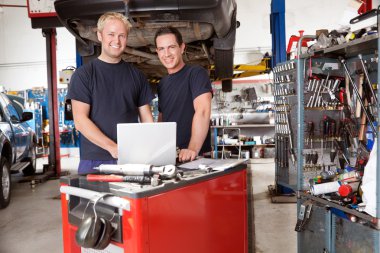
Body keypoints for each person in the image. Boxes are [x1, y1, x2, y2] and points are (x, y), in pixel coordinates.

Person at [67, 12, 155, 174]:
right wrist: (113, 148)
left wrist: (152, 150)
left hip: (131, 159)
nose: (117, 40)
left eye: (122, 35)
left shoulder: (137, 75)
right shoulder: (84, 75)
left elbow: (147, 118)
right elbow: (80, 120)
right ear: (100, 36)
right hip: (95, 160)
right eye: (111, 34)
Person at [154, 26, 212, 162]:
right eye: (161, 49)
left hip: (196, 156)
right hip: (170, 156)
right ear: (157, 52)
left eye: (171, 47)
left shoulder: (196, 74)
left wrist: (192, 149)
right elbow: (162, 118)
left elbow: (203, 110)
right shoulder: (162, 83)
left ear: (182, 47)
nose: (166, 53)